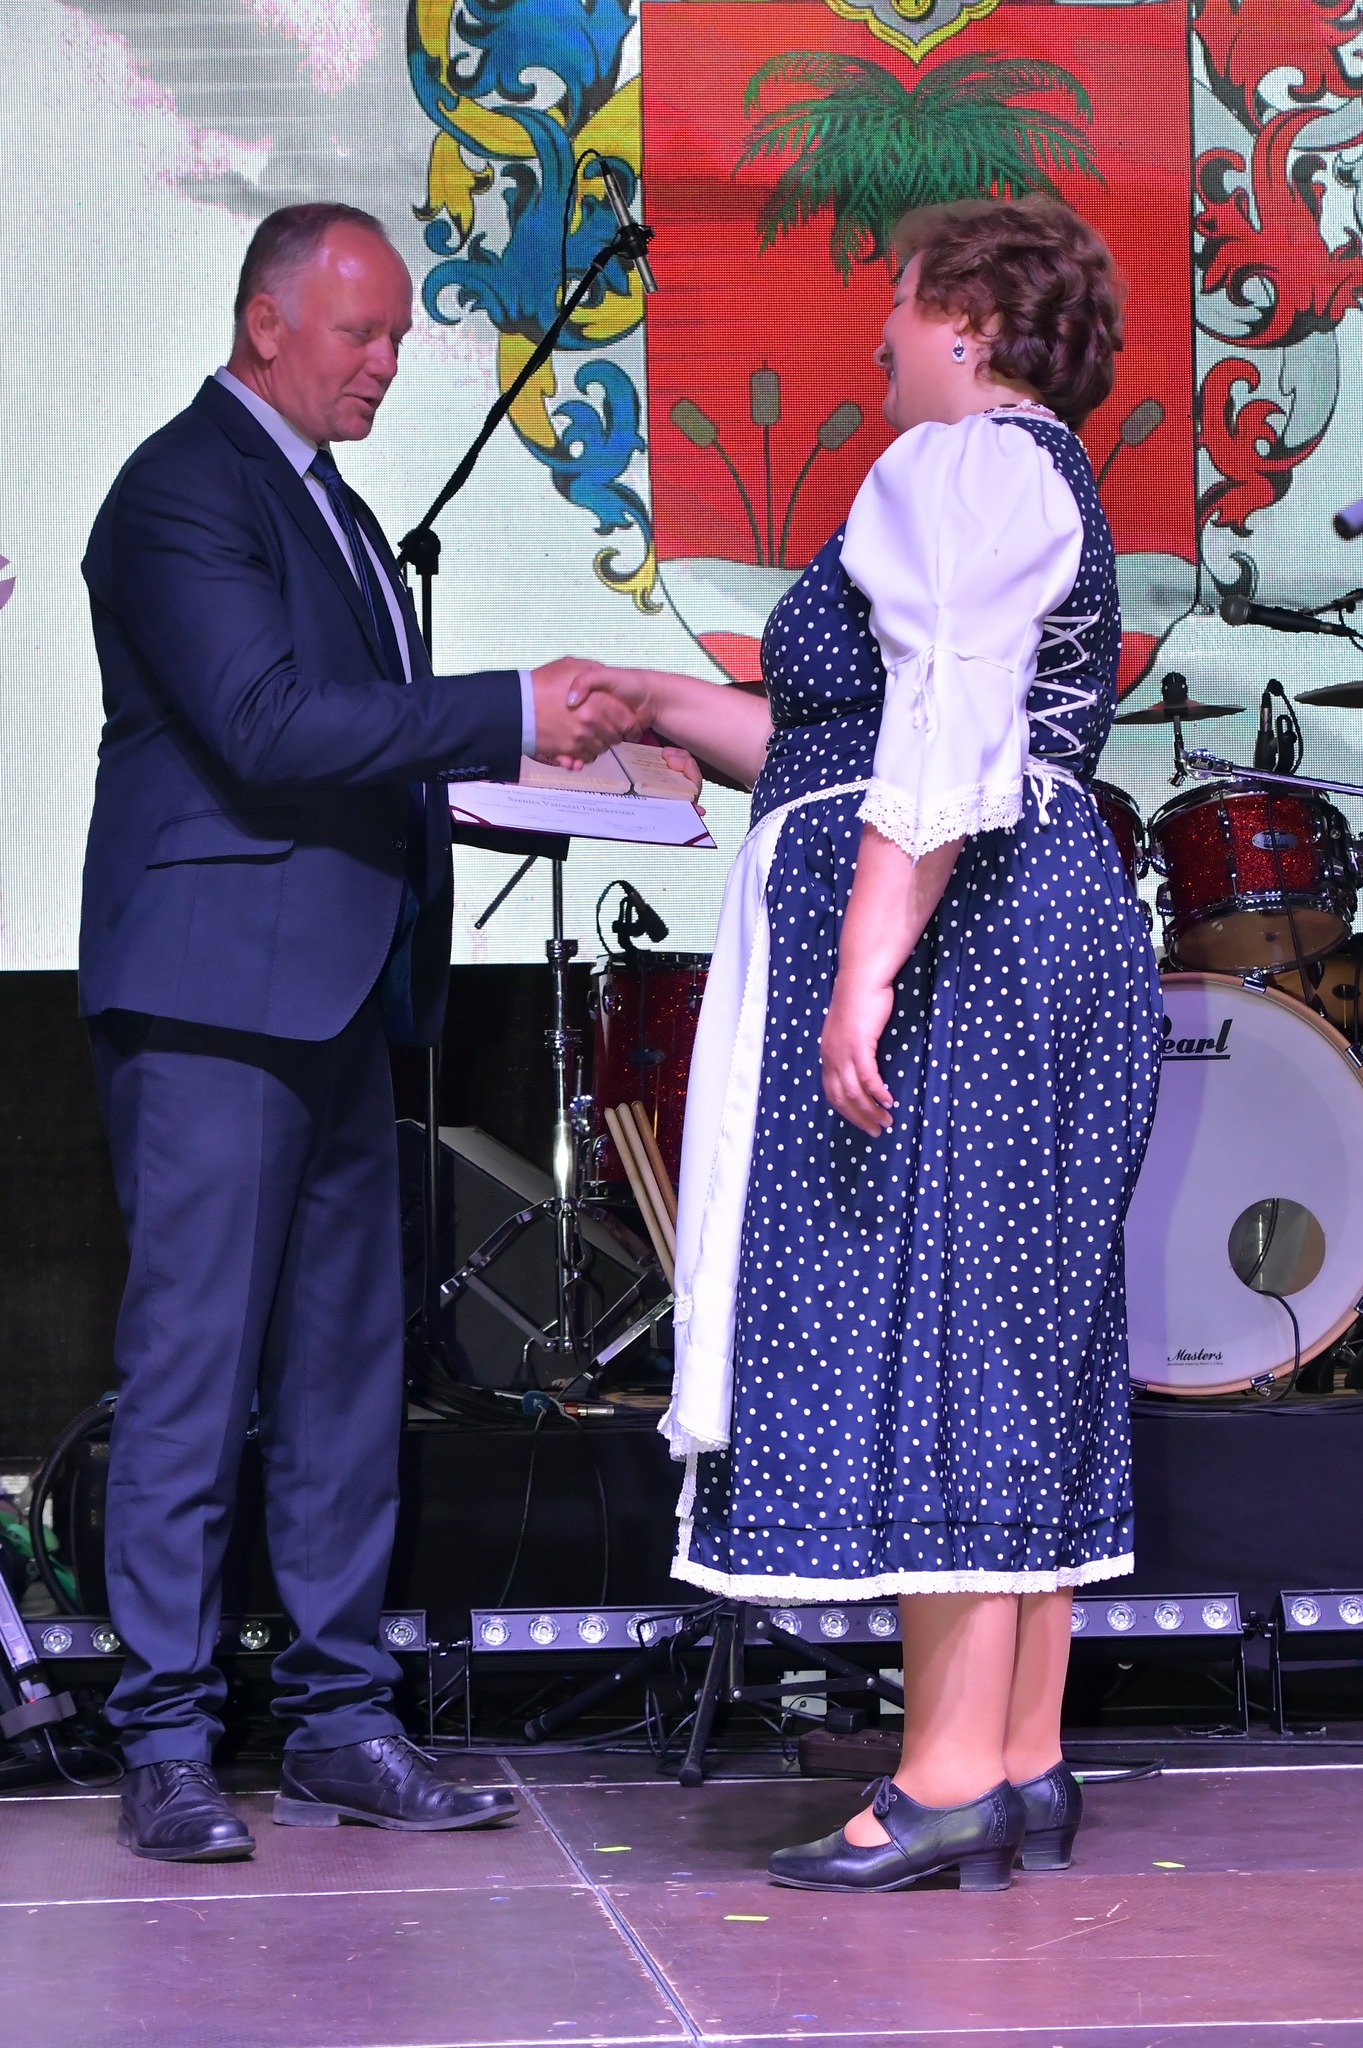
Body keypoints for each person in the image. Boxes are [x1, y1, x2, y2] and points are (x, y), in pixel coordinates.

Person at [585, 198, 1161, 1891]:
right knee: (1012, 1320)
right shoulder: (1025, 473)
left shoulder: (962, 463)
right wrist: (655, 702)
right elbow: (851, 732)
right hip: (1026, 913)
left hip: (966, 933)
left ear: (969, 324)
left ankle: (948, 1777)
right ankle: (1020, 1753)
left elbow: (941, 725)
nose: (882, 340)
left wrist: (863, 969)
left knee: (948, 1324)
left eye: (901, 307)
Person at [80, 201, 645, 1861]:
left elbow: (362, 748)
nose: (390, 361)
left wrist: (579, 780)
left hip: (337, 997)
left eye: (400, 333)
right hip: (213, 999)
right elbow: (266, 727)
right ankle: (166, 1736)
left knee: (343, 1379)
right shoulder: (182, 488)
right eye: (362, 331)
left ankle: (341, 1718)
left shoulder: (333, 508)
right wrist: (514, 710)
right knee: (193, 1378)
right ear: (266, 322)